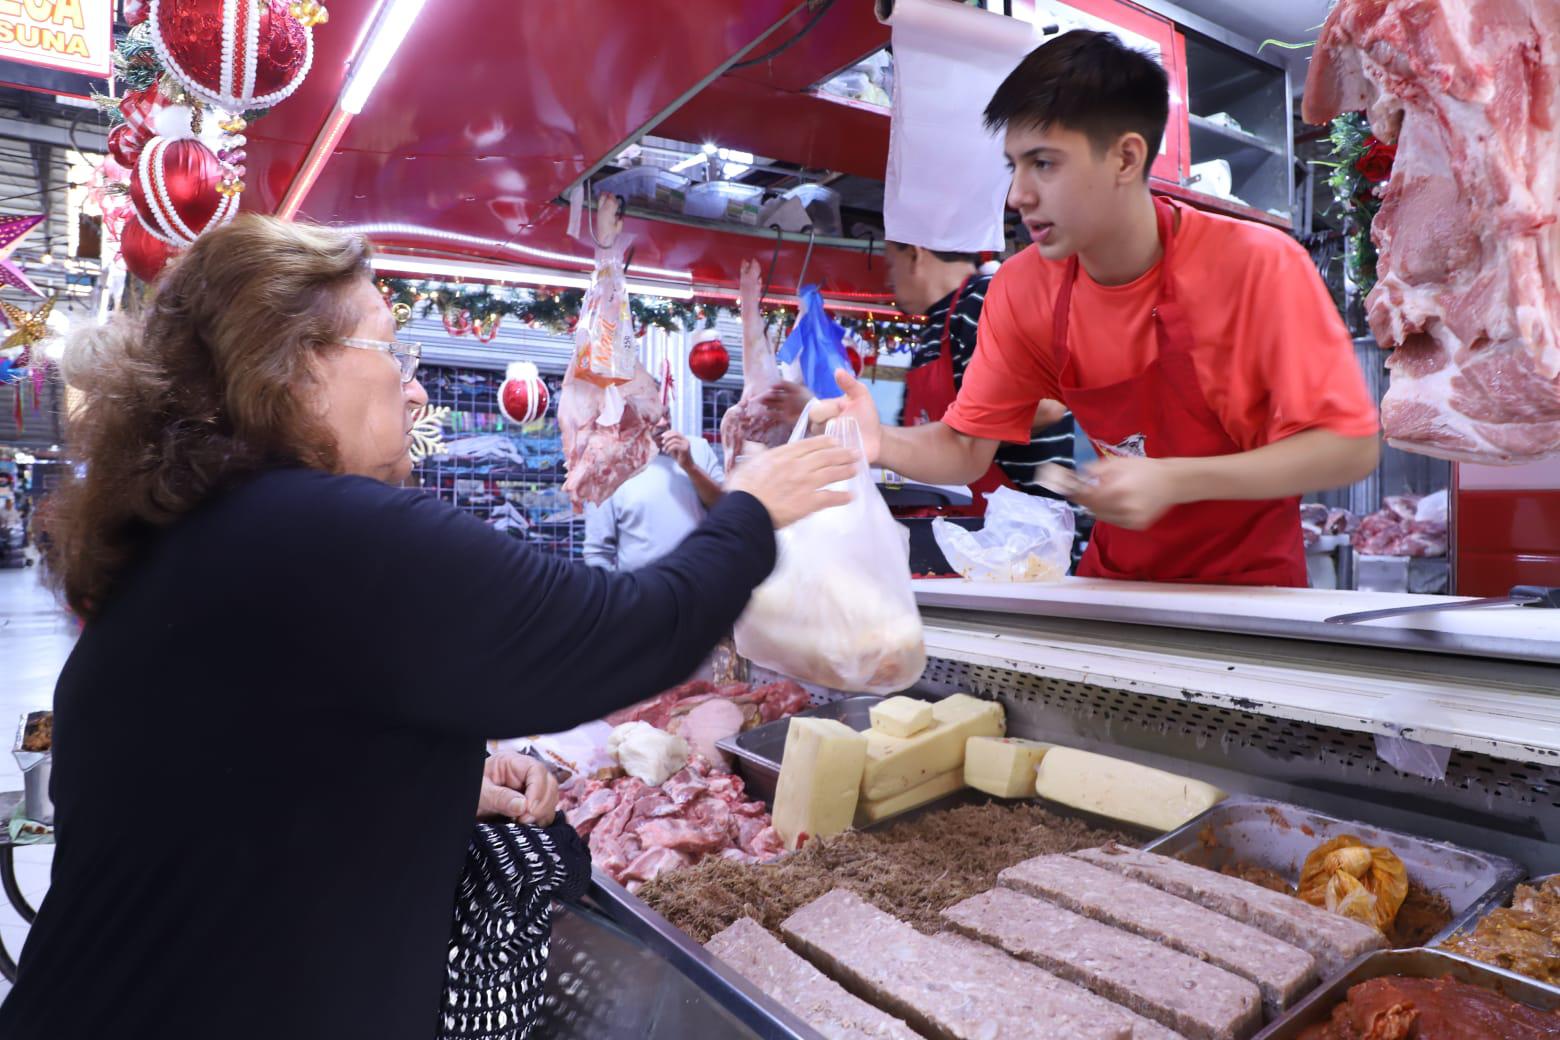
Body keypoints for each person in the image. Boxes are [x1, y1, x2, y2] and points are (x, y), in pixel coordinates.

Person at [0, 215, 856, 1040]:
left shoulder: (198, 541)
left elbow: (248, 777)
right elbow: (624, 632)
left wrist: (434, 782)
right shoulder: (324, 529)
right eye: (391, 349)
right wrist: (748, 509)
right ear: (296, 370)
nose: (413, 385)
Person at [812, 30, 1379, 586]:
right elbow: (964, 447)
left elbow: (1347, 447)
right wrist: (880, 442)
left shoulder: (1257, 265)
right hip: (1115, 587)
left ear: (1126, 158)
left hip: (1251, 593)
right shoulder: (1022, 289)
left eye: (1044, 163)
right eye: (1014, 165)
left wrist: (1176, 481)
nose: (1018, 195)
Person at [884, 240, 1080, 530]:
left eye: (890, 264)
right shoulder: (934, 331)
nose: (887, 278)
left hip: (1024, 535)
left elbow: (1048, 407)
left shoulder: (984, 299)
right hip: (967, 532)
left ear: (916, 254)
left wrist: (958, 439)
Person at [583, 419, 724, 571]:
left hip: (701, 585)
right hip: (642, 590)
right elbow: (597, 553)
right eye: (653, 416)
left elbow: (726, 510)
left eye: (666, 413)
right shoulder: (607, 467)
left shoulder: (697, 449)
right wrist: (619, 593)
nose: (663, 422)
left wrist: (690, 467)